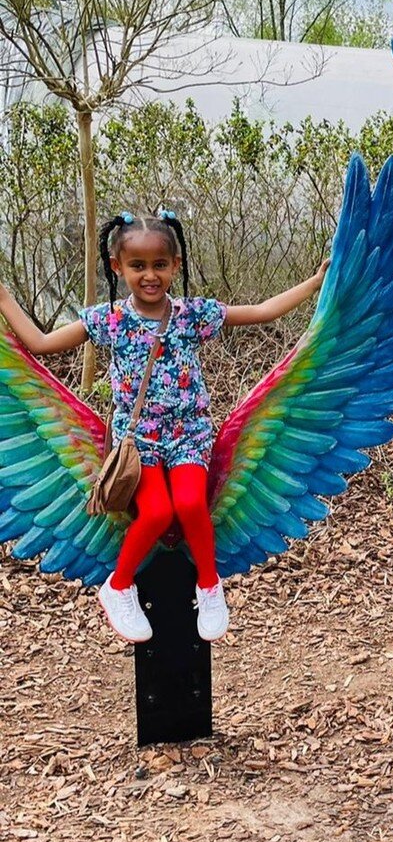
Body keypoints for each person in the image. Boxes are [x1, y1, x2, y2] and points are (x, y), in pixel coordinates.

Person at [0, 211, 327, 644]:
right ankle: (118, 587)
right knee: (156, 511)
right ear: (118, 267)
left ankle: (209, 586)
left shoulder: (192, 314)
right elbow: (41, 344)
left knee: (192, 504)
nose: (149, 276)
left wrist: (315, 282)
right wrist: (4, 297)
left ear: (176, 265)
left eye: (159, 265)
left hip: (188, 434)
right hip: (139, 442)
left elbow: (263, 312)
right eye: (137, 266)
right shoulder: (109, 320)